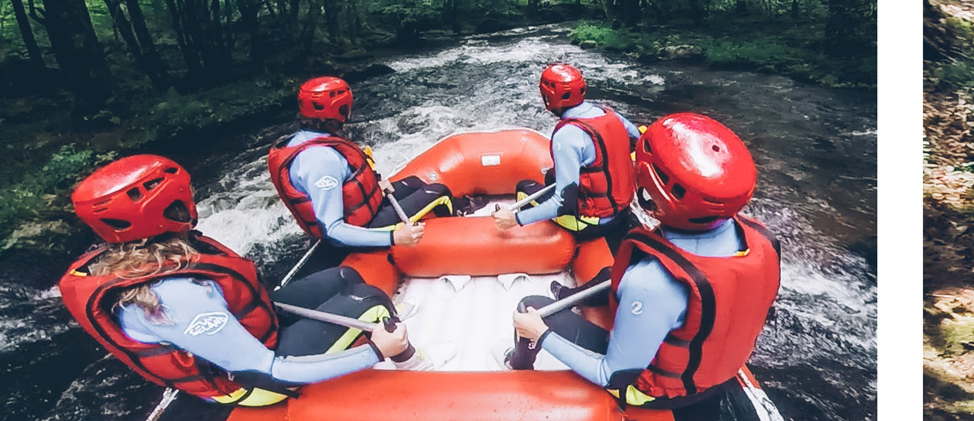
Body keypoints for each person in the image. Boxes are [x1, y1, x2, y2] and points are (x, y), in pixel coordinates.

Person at [59, 155, 424, 409]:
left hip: (250, 333)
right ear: (165, 210)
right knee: (368, 299)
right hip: (251, 383)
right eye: (181, 200)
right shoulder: (174, 297)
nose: (191, 202)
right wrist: (375, 352)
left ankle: (383, 330)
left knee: (343, 276)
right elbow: (267, 371)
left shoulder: (154, 251)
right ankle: (408, 359)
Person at [508, 113, 780, 421]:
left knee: (529, 306)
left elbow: (611, 374)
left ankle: (517, 364)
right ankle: (569, 298)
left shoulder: (651, 282)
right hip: (717, 369)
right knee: (614, 275)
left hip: (654, 390)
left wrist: (540, 334)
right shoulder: (762, 238)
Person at [267, 77, 450, 257]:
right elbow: (332, 230)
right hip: (359, 230)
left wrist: (374, 187)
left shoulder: (305, 139)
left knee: (414, 183)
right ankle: (457, 230)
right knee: (439, 192)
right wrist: (394, 237)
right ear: (340, 110)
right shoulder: (321, 161)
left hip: (362, 213)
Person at [493, 63, 642, 254]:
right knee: (551, 177)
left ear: (548, 97)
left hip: (594, 223)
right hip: (622, 210)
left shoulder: (568, 135)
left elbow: (563, 204)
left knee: (524, 188)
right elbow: (637, 139)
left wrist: (514, 219)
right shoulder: (610, 114)